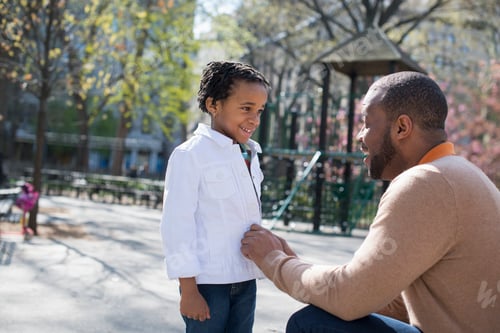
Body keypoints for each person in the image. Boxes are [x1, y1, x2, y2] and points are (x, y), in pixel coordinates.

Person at [241, 71, 500, 333]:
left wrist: (273, 260)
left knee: (312, 324)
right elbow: (379, 298)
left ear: (402, 127)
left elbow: (349, 297)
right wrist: (305, 274)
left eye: (367, 124)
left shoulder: (425, 182)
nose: (359, 137)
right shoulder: (459, 173)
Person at [160, 61, 271, 333]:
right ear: (213, 105)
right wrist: (188, 290)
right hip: (207, 284)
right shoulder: (190, 155)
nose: (254, 119)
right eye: (246, 108)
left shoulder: (250, 154)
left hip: (246, 279)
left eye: (259, 111)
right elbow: (176, 225)